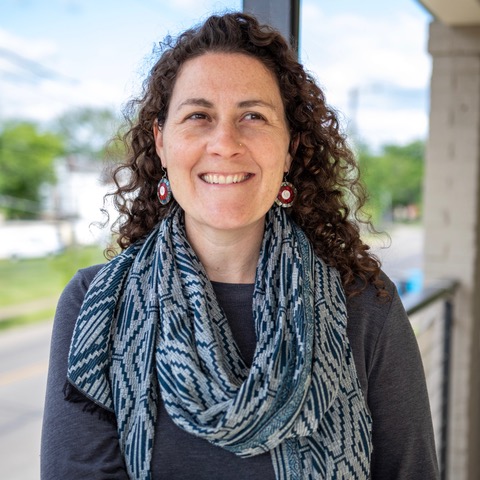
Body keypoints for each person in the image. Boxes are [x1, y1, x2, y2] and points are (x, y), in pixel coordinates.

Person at [41, 12, 439, 480]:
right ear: (162, 142)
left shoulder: (367, 308)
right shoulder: (96, 307)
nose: (224, 142)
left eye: (253, 116)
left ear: (289, 147)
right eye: (198, 116)